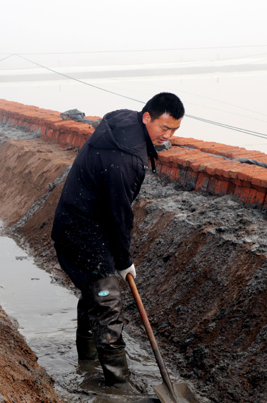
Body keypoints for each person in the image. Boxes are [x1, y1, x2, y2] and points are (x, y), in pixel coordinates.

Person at [51, 92, 184, 387]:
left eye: (174, 130)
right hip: (84, 231)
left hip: (76, 218)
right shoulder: (127, 159)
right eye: (164, 127)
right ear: (147, 117)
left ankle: (86, 363)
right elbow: (119, 214)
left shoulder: (123, 121)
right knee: (106, 301)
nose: (168, 136)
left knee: (93, 294)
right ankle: (118, 386)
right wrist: (124, 261)